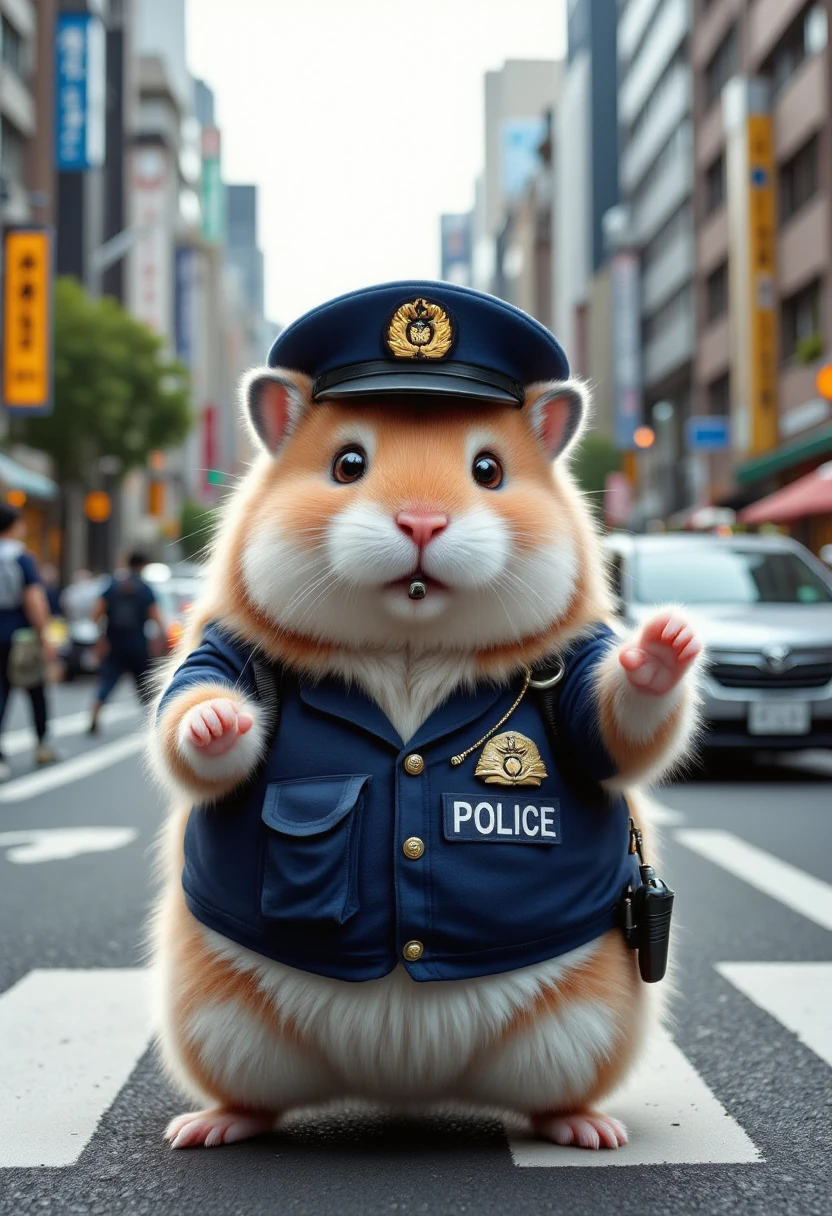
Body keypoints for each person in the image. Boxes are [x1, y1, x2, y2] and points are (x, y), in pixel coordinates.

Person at [0, 504, 56, 777]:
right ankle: (42, 746)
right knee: (35, 688)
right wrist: (44, 635)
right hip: (19, 634)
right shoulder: (20, 557)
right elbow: (33, 598)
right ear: (14, 526)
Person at [88, 551, 163, 734]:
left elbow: (96, 615)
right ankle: (155, 722)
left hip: (114, 643)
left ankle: (95, 715)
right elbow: (156, 617)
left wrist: (100, 638)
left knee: (107, 682)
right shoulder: (144, 588)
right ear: (143, 565)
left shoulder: (112, 585)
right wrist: (161, 638)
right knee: (146, 685)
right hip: (138, 644)